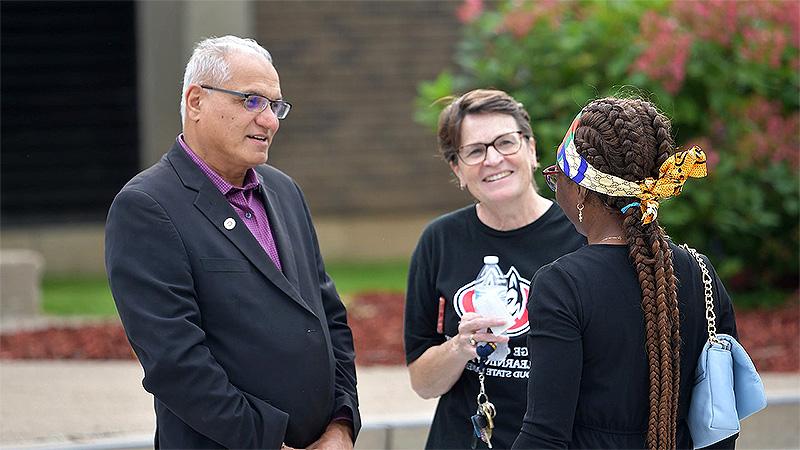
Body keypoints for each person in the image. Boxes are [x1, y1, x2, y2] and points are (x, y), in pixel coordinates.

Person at [105, 35, 359, 450]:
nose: (270, 120)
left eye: (276, 106)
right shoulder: (147, 207)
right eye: (251, 101)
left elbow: (329, 319)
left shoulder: (284, 191)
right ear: (196, 101)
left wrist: (342, 425)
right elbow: (175, 362)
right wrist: (268, 443)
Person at [512, 97, 738, 449]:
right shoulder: (700, 273)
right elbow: (722, 416)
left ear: (583, 191)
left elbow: (545, 434)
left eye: (558, 178)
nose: (556, 190)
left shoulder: (561, 285)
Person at [404, 89, 585, 449]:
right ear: (457, 169)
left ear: (531, 150)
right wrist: (460, 346)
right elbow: (423, 383)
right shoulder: (439, 241)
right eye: (475, 151)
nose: (493, 159)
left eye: (505, 143)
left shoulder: (581, 233)